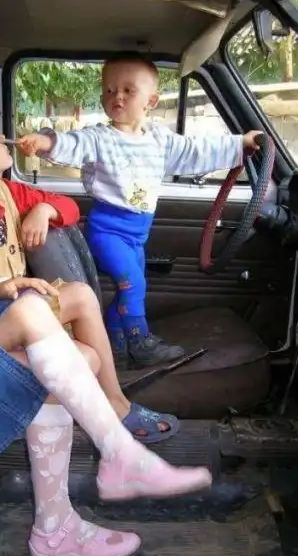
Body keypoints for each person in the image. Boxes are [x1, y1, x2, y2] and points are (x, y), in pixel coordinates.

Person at [0, 89, 212, 556]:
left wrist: (38, 221)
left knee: (77, 345)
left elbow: (67, 209)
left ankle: (77, 496)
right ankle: (110, 461)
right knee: (63, 347)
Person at [0, 102, 179, 444]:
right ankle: (102, 414)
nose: (1, 135)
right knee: (83, 357)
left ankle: (114, 403)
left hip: (14, 313)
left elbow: (70, 207)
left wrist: (44, 209)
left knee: (83, 306)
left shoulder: (7, 193)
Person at [17, 52, 263, 368]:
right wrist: (44, 142)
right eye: (109, 90)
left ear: (151, 102)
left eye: (128, 90)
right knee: (133, 284)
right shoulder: (99, 138)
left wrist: (240, 143)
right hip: (108, 231)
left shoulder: (159, 140)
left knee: (132, 288)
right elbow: (71, 143)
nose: (116, 96)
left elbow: (195, 150)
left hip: (137, 234)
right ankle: (141, 340)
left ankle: (116, 346)